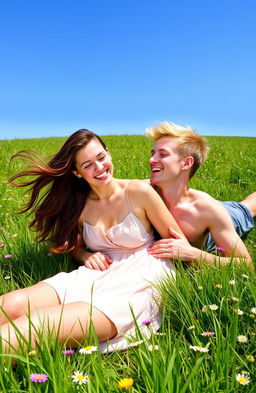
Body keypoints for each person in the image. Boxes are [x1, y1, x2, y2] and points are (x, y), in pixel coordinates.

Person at [0, 129, 187, 355]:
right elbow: (73, 247)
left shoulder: (138, 191)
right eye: (87, 165)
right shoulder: (79, 203)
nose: (99, 167)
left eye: (101, 157)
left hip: (139, 279)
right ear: (77, 173)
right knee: (11, 303)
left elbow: (180, 244)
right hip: (96, 275)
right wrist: (86, 255)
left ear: (108, 153)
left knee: (37, 325)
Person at [146, 121, 254, 269]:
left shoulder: (208, 210)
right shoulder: (142, 191)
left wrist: (192, 254)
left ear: (186, 163)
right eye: (153, 153)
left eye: (162, 154)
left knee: (247, 208)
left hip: (226, 215)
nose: (151, 160)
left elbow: (245, 264)